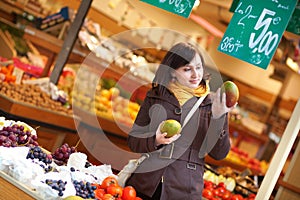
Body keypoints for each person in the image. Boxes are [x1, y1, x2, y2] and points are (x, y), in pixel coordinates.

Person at [125, 42, 235, 200]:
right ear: (172, 72)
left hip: (183, 190)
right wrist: (155, 140)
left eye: (198, 67)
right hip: (146, 183)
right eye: (187, 69)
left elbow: (219, 153)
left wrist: (218, 117)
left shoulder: (212, 104)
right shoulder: (156, 95)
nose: (195, 75)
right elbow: (133, 140)